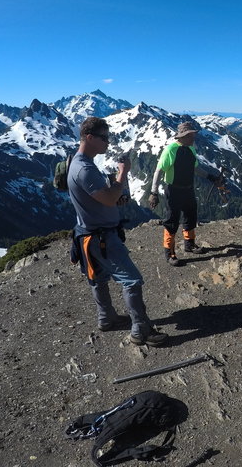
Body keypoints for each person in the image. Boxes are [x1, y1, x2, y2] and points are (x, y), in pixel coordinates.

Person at [67, 116, 168, 347]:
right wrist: (123, 173)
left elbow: (104, 198)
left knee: (98, 278)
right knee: (131, 280)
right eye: (104, 138)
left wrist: (113, 190)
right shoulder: (84, 169)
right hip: (101, 237)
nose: (108, 143)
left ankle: (106, 318)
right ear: (90, 137)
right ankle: (141, 330)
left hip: (88, 234)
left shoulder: (78, 162)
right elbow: (110, 199)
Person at [149, 121, 223, 266]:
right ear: (183, 136)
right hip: (173, 190)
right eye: (191, 136)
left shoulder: (191, 149)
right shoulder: (171, 150)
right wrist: (154, 192)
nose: (193, 138)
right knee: (172, 220)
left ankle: (189, 244)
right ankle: (169, 253)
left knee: (190, 216)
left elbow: (195, 168)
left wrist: (210, 177)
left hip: (188, 189)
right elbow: (159, 170)